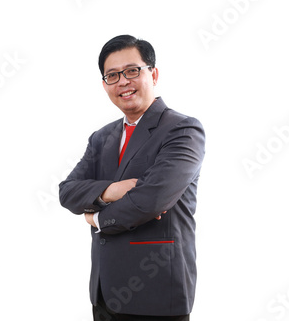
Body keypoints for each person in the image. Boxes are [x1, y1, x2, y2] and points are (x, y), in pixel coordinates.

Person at [59, 35, 205, 320]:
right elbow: (67, 191)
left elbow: (150, 200)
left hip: (156, 292)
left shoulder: (182, 130)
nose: (123, 81)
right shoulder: (102, 137)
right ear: (104, 85)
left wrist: (95, 218)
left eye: (132, 71)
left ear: (154, 73)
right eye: (112, 75)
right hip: (103, 290)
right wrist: (111, 191)